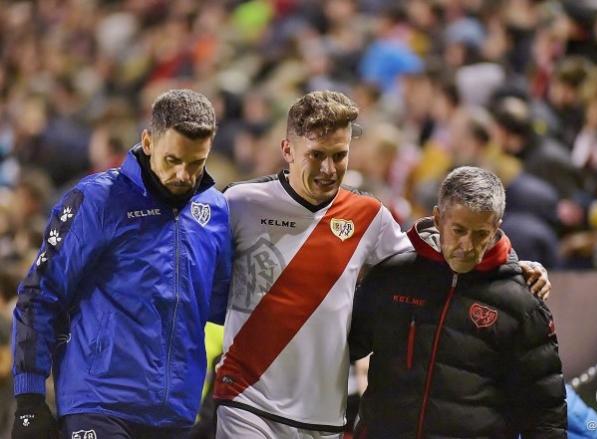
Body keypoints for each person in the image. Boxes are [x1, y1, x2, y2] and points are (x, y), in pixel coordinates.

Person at [213, 91, 551, 439]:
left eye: (339, 156)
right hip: (245, 398)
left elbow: (442, 256)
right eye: (316, 155)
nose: (329, 169)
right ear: (287, 150)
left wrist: (510, 265)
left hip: (322, 414)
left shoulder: (369, 217)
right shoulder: (240, 204)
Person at [11, 89, 233, 438]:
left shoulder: (215, 212)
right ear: (147, 142)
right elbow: (40, 294)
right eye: (172, 160)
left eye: (196, 164)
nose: (184, 175)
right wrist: (28, 399)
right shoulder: (97, 201)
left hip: (177, 414)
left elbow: (224, 306)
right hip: (99, 403)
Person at [349, 166, 567, 438]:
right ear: (438, 218)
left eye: (480, 234)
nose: (467, 245)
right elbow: (341, 348)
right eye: (459, 230)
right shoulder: (393, 275)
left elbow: (545, 411)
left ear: (496, 227)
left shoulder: (523, 302)